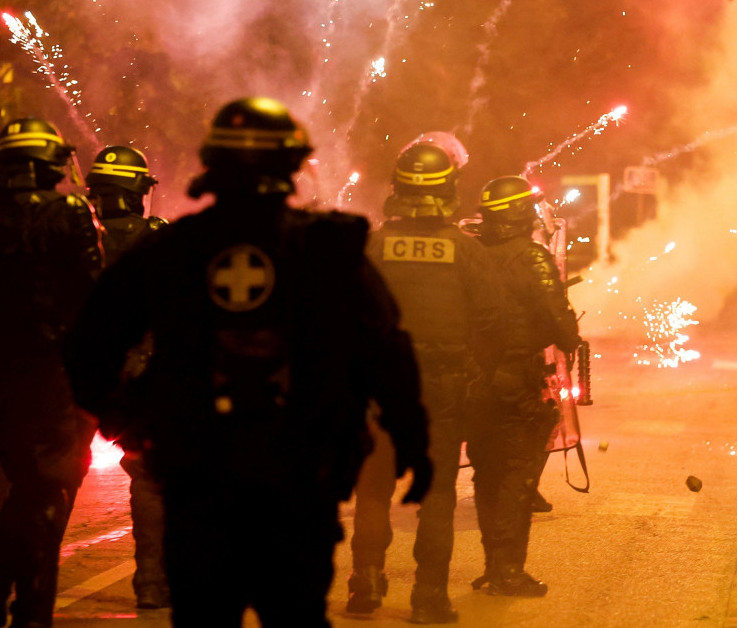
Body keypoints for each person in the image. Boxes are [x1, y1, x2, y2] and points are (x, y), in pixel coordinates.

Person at [63, 97, 434, 627]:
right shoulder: (327, 247)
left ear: (211, 165)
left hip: (198, 475)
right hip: (298, 476)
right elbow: (386, 351)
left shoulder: (170, 249)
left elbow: (88, 347)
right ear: (292, 167)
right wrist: (412, 440)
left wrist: (133, 426)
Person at [345, 139, 507, 623]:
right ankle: (430, 596)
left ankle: (365, 583)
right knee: (435, 494)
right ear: (450, 190)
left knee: (373, 488)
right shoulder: (465, 250)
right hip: (441, 387)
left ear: (397, 190)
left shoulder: (370, 246)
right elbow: (494, 321)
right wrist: (478, 370)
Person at [0, 117, 104, 628]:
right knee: (44, 491)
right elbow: (93, 296)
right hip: (48, 377)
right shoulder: (69, 213)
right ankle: (31, 613)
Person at [468, 175, 580, 596]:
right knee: (516, 481)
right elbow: (559, 321)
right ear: (521, 214)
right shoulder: (533, 258)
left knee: (486, 476)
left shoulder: (470, 253)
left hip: (473, 383)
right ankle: (508, 572)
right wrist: (572, 337)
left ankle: (492, 565)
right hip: (516, 383)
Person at [85, 144, 171, 609]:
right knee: (150, 476)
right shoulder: (158, 239)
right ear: (140, 192)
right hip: (141, 375)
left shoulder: (66, 232)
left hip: (67, 371)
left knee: (33, 481)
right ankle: (154, 583)